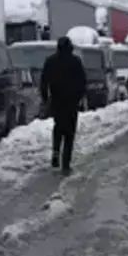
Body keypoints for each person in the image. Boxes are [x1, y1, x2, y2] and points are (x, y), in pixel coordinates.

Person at [39, 36, 88, 175]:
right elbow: (82, 82)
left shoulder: (50, 61)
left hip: (57, 101)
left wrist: (45, 98)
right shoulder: (76, 62)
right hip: (71, 103)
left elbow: (44, 82)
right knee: (69, 133)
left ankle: (55, 152)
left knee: (58, 127)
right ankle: (65, 163)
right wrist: (79, 98)